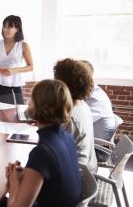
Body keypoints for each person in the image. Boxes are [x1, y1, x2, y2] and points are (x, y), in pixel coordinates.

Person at [5, 79, 82, 207]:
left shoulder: (42, 152)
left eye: (32, 99)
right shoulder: (67, 137)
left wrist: (14, 182)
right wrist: (28, 173)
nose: (28, 102)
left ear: (43, 107)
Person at [54, 58, 98, 173]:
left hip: (78, 177)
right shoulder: (82, 106)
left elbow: (55, 156)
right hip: (87, 168)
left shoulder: (70, 118)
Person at [0, 15, 33, 104]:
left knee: (15, 113)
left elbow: (31, 66)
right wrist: (1, 71)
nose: (5, 29)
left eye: (9, 27)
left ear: (17, 29)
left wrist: (14, 70)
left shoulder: (23, 46)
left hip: (14, 84)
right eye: (4, 26)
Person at [81, 60, 118, 141]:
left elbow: (79, 124)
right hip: (89, 139)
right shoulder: (89, 91)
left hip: (96, 146)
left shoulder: (95, 98)